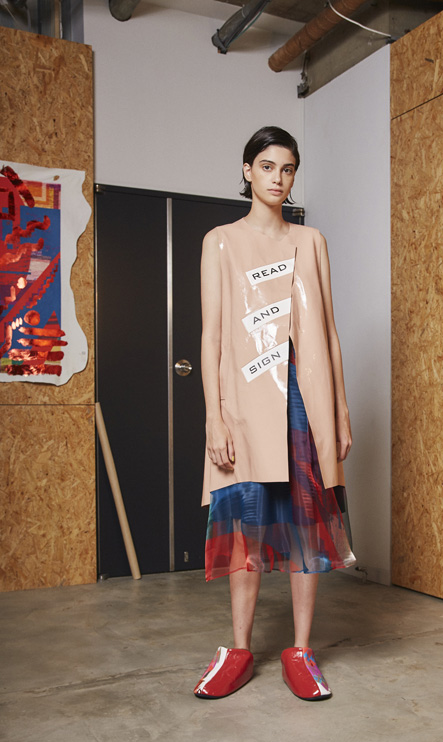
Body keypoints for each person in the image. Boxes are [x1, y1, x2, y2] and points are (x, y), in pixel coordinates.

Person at [193, 125, 355, 702]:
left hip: (303, 402)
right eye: (266, 166)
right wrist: (214, 417)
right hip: (244, 403)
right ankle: (239, 650)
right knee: (248, 525)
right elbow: (212, 336)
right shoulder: (220, 241)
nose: (277, 178)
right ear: (247, 171)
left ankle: (301, 650)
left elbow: (329, 333)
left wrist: (340, 410)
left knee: (308, 522)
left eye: (287, 169)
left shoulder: (311, 241)